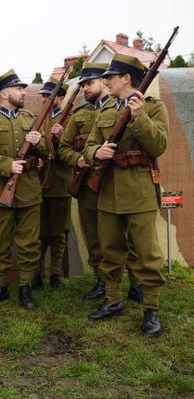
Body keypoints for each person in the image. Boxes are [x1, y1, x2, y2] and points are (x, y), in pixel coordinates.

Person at [83, 53, 168, 336]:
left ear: (126, 79)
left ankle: (151, 310)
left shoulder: (153, 108)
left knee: (146, 254)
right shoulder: (105, 110)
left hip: (139, 190)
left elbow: (158, 145)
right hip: (107, 190)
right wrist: (96, 152)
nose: (106, 81)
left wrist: (139, 116)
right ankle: (113, 300)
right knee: (110, 250)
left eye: (110, 77)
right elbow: (90, 145)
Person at [58, 62, 143, 301]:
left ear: (104, 82)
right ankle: (102, 281)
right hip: (88, 186)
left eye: (90, 83)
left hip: (118, 183)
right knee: (95, 237)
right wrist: (79, 160)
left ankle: (136, 283)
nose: (85, 88)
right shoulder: (79, 115)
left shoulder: (123, 107)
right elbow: (63, 148)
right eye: (83, 84)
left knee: (129, 237)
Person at [0, 69, 46, 308]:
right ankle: (1, 286)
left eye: (23, 89)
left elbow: (49, 153)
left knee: (29, 242)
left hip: (30, 192)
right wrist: (7, 165)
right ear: (4, 93)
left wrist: (39, 142)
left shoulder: (30, 119)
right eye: (19, 88)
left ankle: (25, 287)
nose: (23, 92)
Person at [34, 76, 73, 289]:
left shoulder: (71, 119)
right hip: (39, 183)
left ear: (60, 97)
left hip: (60, 182)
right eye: (42, 96)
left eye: (48, 96)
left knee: (58, 233)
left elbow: (77, 147)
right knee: (38, 233)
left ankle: (56, 273)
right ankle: (36, 274)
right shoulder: (37, 119)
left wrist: (63, 134)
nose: (44, 100)